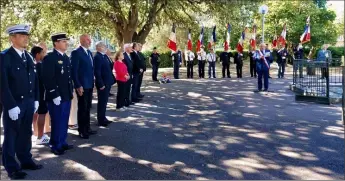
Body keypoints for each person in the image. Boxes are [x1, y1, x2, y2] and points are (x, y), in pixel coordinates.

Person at [1, 24, 43, 179]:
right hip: (15, 104)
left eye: (27, 36)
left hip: (29, 102)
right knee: (11, 136)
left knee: (26, 133)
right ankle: (12, 167)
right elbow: (2, 84)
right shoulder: (4, 56)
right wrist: (10, 105)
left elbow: (35, 80)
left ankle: (25, 160)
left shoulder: (28, 56)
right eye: (22, 35)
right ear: (12, 38)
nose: (26, 38)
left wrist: (36, 99)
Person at [42, 32, 74, 155]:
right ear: (56, 43)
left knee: (64, 119)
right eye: (63, 41)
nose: (66, 43)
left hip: (66, 95)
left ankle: (62, 141)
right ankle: (55, 144)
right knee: (57, 120)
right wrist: (54, 94)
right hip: (56, 96)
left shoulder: (65, 57)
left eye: (66, 41)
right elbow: (48, 78)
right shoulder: (50, 58)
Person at [70, 34, 97, 139]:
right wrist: (78, 85)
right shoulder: (76, 52)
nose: (90, 41)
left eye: (90, 39)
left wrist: (93, 83)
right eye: (87, 39)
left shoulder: (89, 52)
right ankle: (82, 130)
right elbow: (74, 71)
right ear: (81, 40)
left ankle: (87, 128)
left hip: (89, 84)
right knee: (82, 108)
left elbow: (91, 70)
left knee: (87, 107)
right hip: (82, 85)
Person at [31, 46, 50, 145]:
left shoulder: (32, 64)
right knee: (42, 113)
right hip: (41, 93)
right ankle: (40, 136)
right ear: (38, 54)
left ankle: (36, 133)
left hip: (36, 94)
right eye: (42, 53)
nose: (44, 54)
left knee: (36, 114)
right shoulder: (39, 65)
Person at [94, 41, 116, 127]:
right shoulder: (97, 57)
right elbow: (97, 72)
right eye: (104, 46)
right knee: (102, 102)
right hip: (103, 83)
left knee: (105, 101)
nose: (106, 47)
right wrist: (101, 84)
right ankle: (101, 119)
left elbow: (110, 66)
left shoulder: (104, 56)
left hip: (107, 82)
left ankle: (103, 117)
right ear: (99, 47)